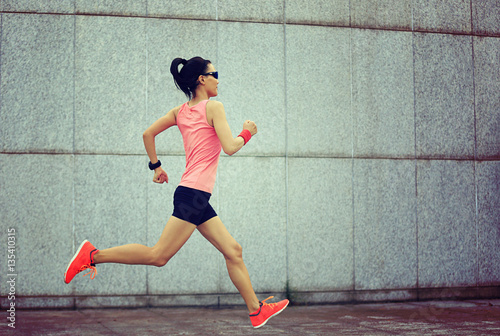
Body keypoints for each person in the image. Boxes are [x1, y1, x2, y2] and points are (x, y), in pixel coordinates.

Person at [63, 56, 288, 328]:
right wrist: (248, 132)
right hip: (193, 194)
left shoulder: (179, 111)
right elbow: (230, 147)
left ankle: (256, 310)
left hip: (194, 195)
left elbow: (148, 134)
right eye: (214, 73)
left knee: (233, 250)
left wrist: (156, 166)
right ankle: (93, 255)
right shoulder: (214, 107)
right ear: (201, 79)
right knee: (158, 256)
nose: (218, 78)